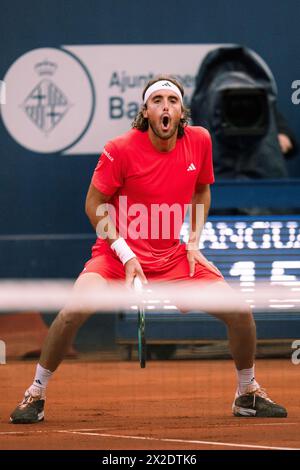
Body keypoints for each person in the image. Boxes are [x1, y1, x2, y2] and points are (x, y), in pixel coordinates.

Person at [10, 75, 287, 424]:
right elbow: (93, 204)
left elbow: (202, 189)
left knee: (241, 315)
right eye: (157, 101)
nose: (165, 107)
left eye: (171, 101)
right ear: (145, 111)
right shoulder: (120, 148)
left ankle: (246, 393)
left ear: (181, 111)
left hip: (173, 258)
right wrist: (126, 254)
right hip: (116, 256)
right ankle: (36, 392)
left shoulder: (199, 141)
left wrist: (193, 241)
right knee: (70, 313)